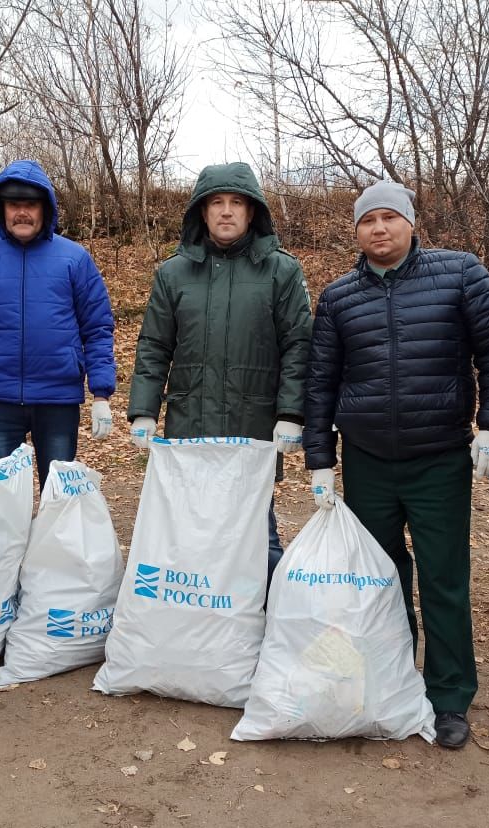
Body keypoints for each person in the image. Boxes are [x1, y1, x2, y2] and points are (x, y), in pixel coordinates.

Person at [303, 180, 489, 749]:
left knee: (444, 579)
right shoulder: (339, 297)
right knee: (379, 579)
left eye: (389, 218)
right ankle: (393, 681)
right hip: (368, 460)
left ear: (411, 223)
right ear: (356, 231)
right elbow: (320, 382)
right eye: (368, 220)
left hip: (438, 457)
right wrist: (320, 461)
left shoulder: (460, 274)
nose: (379, 228)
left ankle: (449, 697)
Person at [127, 162, 312, 579]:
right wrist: (144, 410)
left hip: (255, 425)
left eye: (236, 203)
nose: (226, 211)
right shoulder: (173, 273)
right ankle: (199, 623)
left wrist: (290, 413)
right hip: (191, 422)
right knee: (192, 531)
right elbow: (155, 346)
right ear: (202, 212)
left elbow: (299, 346)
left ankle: (264, 620)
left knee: (256, 534)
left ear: (252, 212)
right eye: (216, 203)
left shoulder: (281, 271)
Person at [0, 160, 115, 488]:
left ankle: (54, 543)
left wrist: (102, 394)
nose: (22, 213)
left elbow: (97, 328)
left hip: (58, 400)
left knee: (58, 498)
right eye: (14, 204)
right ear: (1, 209)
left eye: (30, 205)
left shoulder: (74, 258)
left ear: (45, 209)